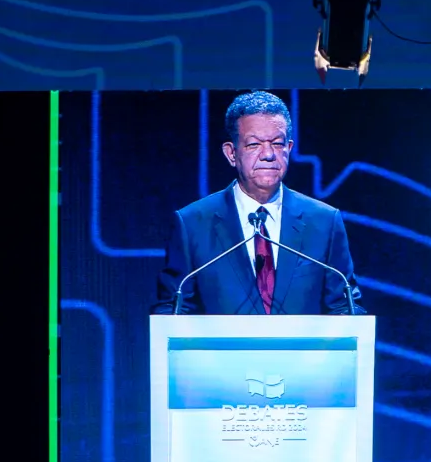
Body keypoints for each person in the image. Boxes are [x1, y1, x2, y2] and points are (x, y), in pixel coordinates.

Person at [154, 91, 364, 315]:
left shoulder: (324, 222)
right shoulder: (192, 224)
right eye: (254, 144)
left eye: (277, 143)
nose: (268, 155)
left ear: (289, 149)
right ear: (231, 154)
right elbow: (173, 309)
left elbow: (345, 307)